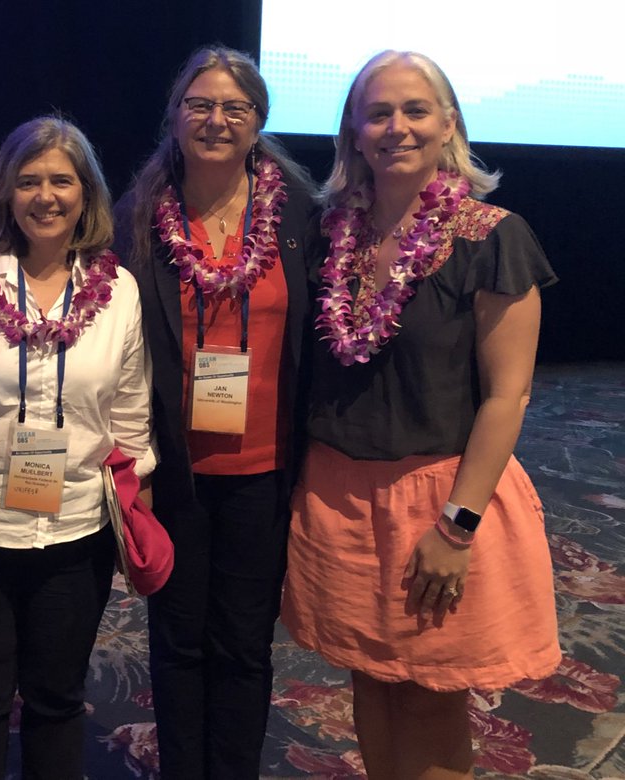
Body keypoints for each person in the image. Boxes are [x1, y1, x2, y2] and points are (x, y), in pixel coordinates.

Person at [281, 50, 561, 779]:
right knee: (369, 679)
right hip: (336, 494)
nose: (395, 127)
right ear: (353, 130)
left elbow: (510, 396)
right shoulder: (329, 233)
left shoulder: (491, 235)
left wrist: (457, 527)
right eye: (378, 112)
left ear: (448, 124)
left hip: (440, 499)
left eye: (414, 110)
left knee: (431, 694)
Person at [0, 116, 153, 780]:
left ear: (86, 194)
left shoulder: (119, 293)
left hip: (76, 530)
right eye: (28, 181)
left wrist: (137, 521)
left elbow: (130, 417)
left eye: (60, 181)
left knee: (56, 701)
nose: (45, 196)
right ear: (6, 194)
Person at [113, 46, 316, 778]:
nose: (217, 120)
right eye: (200, 104)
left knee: (242, 642)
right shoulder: (136, 219)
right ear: (174, 115)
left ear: (259, 122)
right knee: (176, 638)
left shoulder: (298, 213)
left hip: (264, 470)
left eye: (236, 107)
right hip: (175, 472)